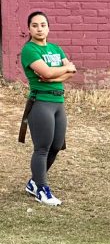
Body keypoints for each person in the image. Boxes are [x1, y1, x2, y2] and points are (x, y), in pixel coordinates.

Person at [20, 11, 76, 206]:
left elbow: (71, 71)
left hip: (58, 102)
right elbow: (48, 71)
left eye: (43, 25)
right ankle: (42, 190)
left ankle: (34, 182)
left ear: (48, 28)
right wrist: (62, 70)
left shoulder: (55, 48)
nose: (39, 28)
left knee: (56, 146)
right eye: (35, 25)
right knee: (42, 148)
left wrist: (54, 76)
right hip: (41, 103)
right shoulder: (29, 50)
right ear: (29, 28)